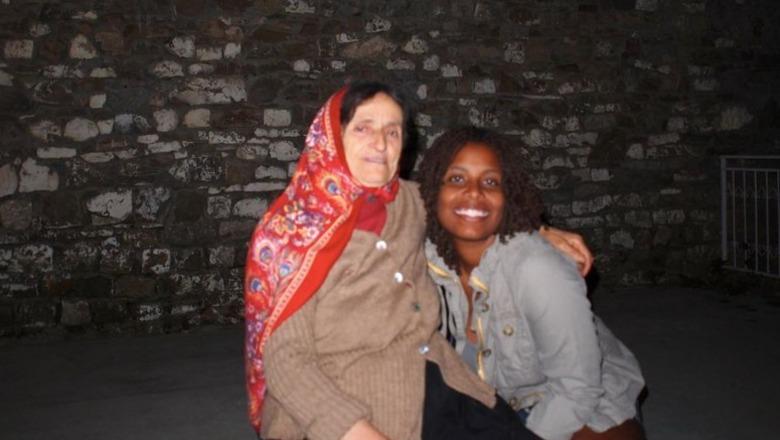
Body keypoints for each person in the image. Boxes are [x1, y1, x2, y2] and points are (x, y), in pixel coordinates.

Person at [243, 82, 592, 440]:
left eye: (392, 132)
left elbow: (470, 204)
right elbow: (286, 360)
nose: (381, 143)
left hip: (437, 377)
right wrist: (355, 432)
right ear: (331, 137)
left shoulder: (410, 201)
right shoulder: (290, 233)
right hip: (339, 401)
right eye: (363, 128)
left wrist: (539, 229)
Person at [417, 127, 646, 440]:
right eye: (457, 178)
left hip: (574, 399)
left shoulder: (538, 268)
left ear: (508, 197)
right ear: (433, 190)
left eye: (491, 182)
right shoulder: (420, 258)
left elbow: (577, 388)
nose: (474, 192)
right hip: (489, 400)